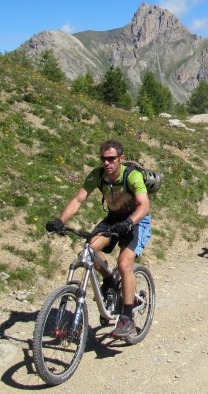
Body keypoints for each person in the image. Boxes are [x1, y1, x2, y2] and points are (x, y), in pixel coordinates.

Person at [46, 139, 151, 340]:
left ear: (121, 158)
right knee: (90, 248)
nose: (106, 163)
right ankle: (110, 282)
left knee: (124, 263)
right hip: (113, 219)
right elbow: (78, 199)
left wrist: (129, 222)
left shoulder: (132, 175)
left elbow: (144, 205)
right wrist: (60, 220)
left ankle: (127, 318)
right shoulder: (98, 175)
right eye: (103, 159)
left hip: (137, 219)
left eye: (111, 159)